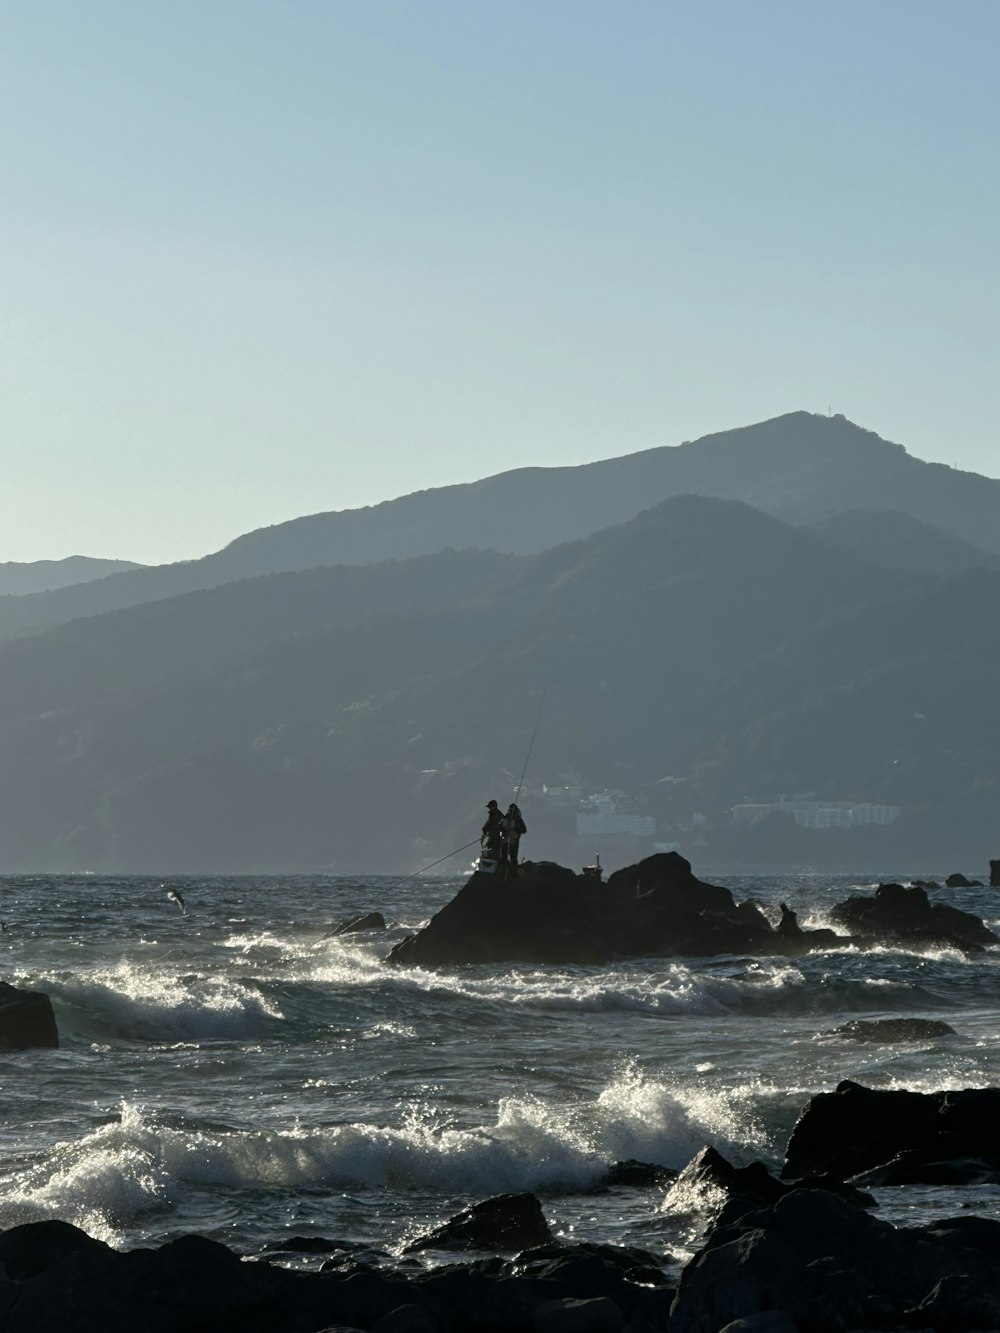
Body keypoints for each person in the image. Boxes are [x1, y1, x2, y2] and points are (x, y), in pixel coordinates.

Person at [500, 802, 527, 872]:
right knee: (511, 858)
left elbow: (524, 830)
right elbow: (524, 830)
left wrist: (502, 832)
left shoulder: (505, 818)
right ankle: (510, 874)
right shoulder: (515, 819)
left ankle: (507, 873)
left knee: (507, 858)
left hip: (508, 842)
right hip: (510, 842)